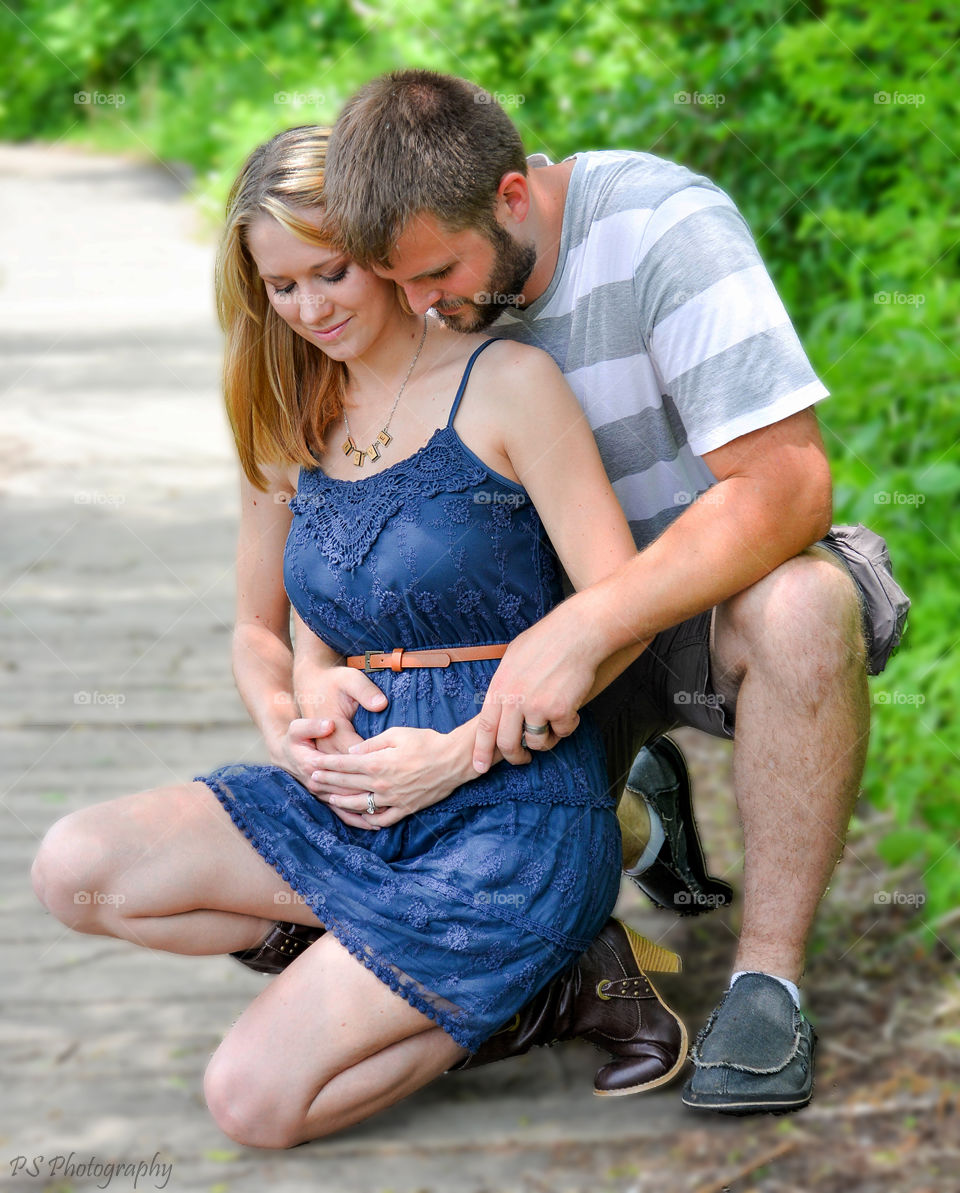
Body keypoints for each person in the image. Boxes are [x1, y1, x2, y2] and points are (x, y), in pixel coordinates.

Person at [30, 125, 689, 1150]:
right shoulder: (288, 407)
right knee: (75, 865)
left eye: (328, 272)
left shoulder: (507, 384)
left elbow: (623, 609)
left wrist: (461, 750)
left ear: (382, 248)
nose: (309, 308)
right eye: (280, 286)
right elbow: (256, 624)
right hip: (348, 800)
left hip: (510, 810)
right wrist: (292, 708)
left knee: (253, 1102)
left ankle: (548, 986)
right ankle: (494, 975)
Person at [277, 71, 910, 1116]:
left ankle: (766, 981)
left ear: (516, 197)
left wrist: (599, 616)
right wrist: (316, 673)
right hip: (515, 629)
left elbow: (790, 480)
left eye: (440, 272)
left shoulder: (665, 230)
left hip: (700, 602)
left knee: (805, 604)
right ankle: (624, 818)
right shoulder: (417, 277)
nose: (426, 306)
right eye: (401, 284)